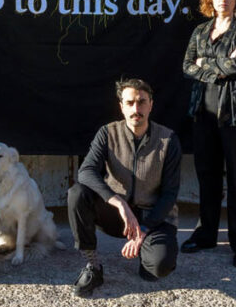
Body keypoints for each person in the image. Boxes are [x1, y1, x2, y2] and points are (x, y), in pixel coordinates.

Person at [68, 79, 181, 297]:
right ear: (121, 106)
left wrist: (144, 230)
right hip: (116, 216)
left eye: (141, 102)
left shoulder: (168, 139)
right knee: (77, 193)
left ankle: (147, 254)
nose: (135, 109)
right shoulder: (108, 133)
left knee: (159, 268)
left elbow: (169, 194)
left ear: (151, 105)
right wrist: (118, 202)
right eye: (129, 103)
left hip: (153, 216)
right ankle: (93, 266)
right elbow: (86, 171)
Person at [180, 0, 236, 268]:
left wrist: (207, 64)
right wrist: (218, 65)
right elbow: (188, 65)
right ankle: (207, 234)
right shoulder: (200, 31)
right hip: (203, 112)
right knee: (207, 176)